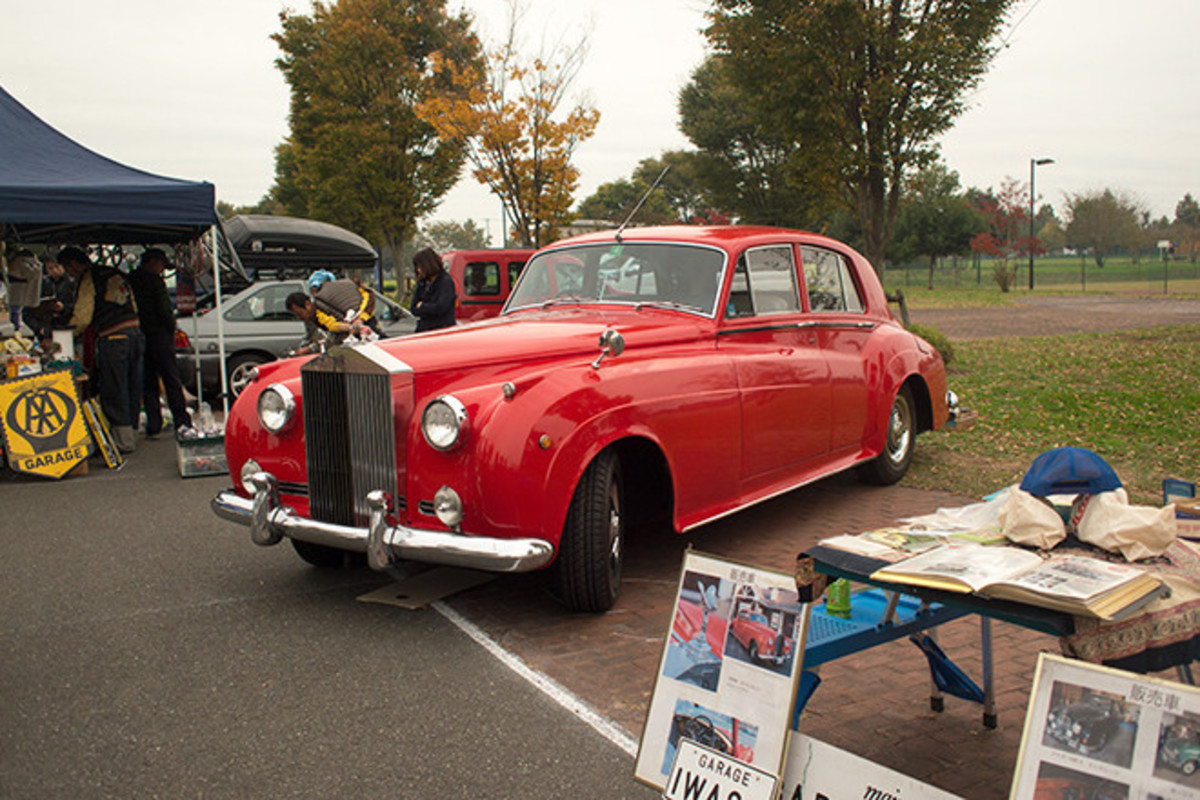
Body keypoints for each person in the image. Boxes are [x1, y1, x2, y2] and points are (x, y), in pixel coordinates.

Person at [59, 246, 144, 453]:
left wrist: (67, 332)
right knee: (133, 384)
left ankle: (123, 441)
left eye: (68, 269)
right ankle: (132, 432)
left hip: (113, 337)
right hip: (135, 333)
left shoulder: (90, 278)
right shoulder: (117, 274)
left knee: (114, 387)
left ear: (72, 264)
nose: (69, 274)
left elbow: (83, 315)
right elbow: (134, 304)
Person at [128, 248, 193, 439]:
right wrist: (171, 325)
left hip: (140, 333)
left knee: (148, 382)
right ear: (153, 262)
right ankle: (181, 421)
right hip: (159, 335)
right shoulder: (155, 281)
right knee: (170, 378)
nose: (162, 269)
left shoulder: (132, 279)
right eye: (161, 265)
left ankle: (153, 423)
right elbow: (165, 310)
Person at [285, 276, 380, 354]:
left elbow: (333, 326)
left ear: (307, 304)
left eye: (299, 314)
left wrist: (358, 322)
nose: (300, 318)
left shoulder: (319, 310)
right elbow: (332, 333)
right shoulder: (317, 313)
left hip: (366, 333)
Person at [27, 253, 75, 346]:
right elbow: (28, 312)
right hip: (46, 330)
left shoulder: (72, 283)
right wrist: (38, 328)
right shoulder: (42, 285)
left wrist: (63, 308)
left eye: (56, 267)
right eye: (50, 268)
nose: (54, 271)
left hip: (67, 329)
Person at [409, 248, 456, 332]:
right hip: (423, 330)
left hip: (441, 331)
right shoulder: (422, 283)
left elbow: (440, 308)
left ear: (427, 265)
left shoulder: (445, 282)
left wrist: (422, 306)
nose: (418, 270)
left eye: (419, 266)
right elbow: (413, 308)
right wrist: (430, 307)